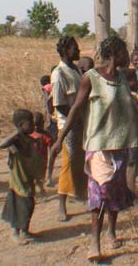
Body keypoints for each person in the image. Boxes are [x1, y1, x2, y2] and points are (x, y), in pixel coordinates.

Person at [49, 36, 138, 263]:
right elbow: (76, 109)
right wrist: (60, 140)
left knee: (116, 193)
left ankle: (111, 231)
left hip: (120, 146)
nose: (127, 56)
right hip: (99, 145)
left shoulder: (121, 78)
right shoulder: (91, 78)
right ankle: (94, 242)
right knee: (100, 193)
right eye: (124, 52)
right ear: (115, 53)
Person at [50, 36, 86, 222]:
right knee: (68, 163)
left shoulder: (76, 70)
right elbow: (60, 105)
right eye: (74, 48)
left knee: (80, 161)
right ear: (65, 51)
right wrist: (76, 118)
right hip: (68, 125)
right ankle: (61, 204)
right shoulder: (59, 74)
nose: (78, 51)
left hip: (80, 123)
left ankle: (79, 194)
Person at [0, 109, 42, 245]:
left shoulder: (30, 140)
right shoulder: (15, 141)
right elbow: (1, 145)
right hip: (18, 181)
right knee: (19, 207)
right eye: (30, 125)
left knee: (29, 205)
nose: (33, 127)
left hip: (27, 179)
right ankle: (15, 233)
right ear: (21, 125)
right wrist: (16, 133)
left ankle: (24, 231)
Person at [31, 112, 54, 195]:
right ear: (43, 122)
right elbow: (51, 149)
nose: (36, 127)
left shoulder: (28, 134)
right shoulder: (46, 135)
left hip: (34, 160)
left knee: (35, 177)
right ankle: (40, 190)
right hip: (41, 160)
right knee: (39, 177)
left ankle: (39, 190)